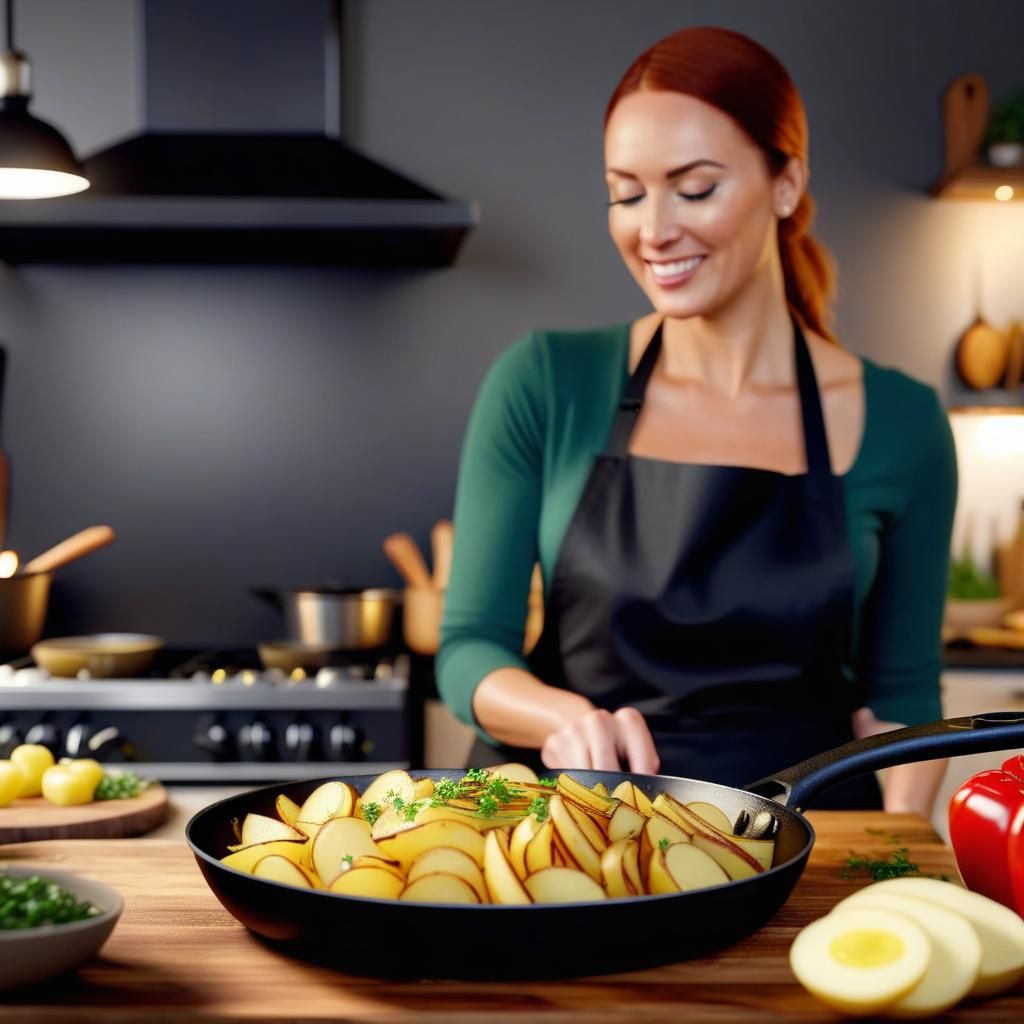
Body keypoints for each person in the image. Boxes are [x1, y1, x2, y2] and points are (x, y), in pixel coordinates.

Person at [437, 26, 957, 813]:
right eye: (626, 192)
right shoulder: (545, 382)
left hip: (797, 840)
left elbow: (905, 695)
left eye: (696, 187)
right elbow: (469, 647)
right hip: (570, 833)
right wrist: (565, 718)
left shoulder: (902, 423)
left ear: (785, 183)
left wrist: (896, 852)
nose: (654, 230)